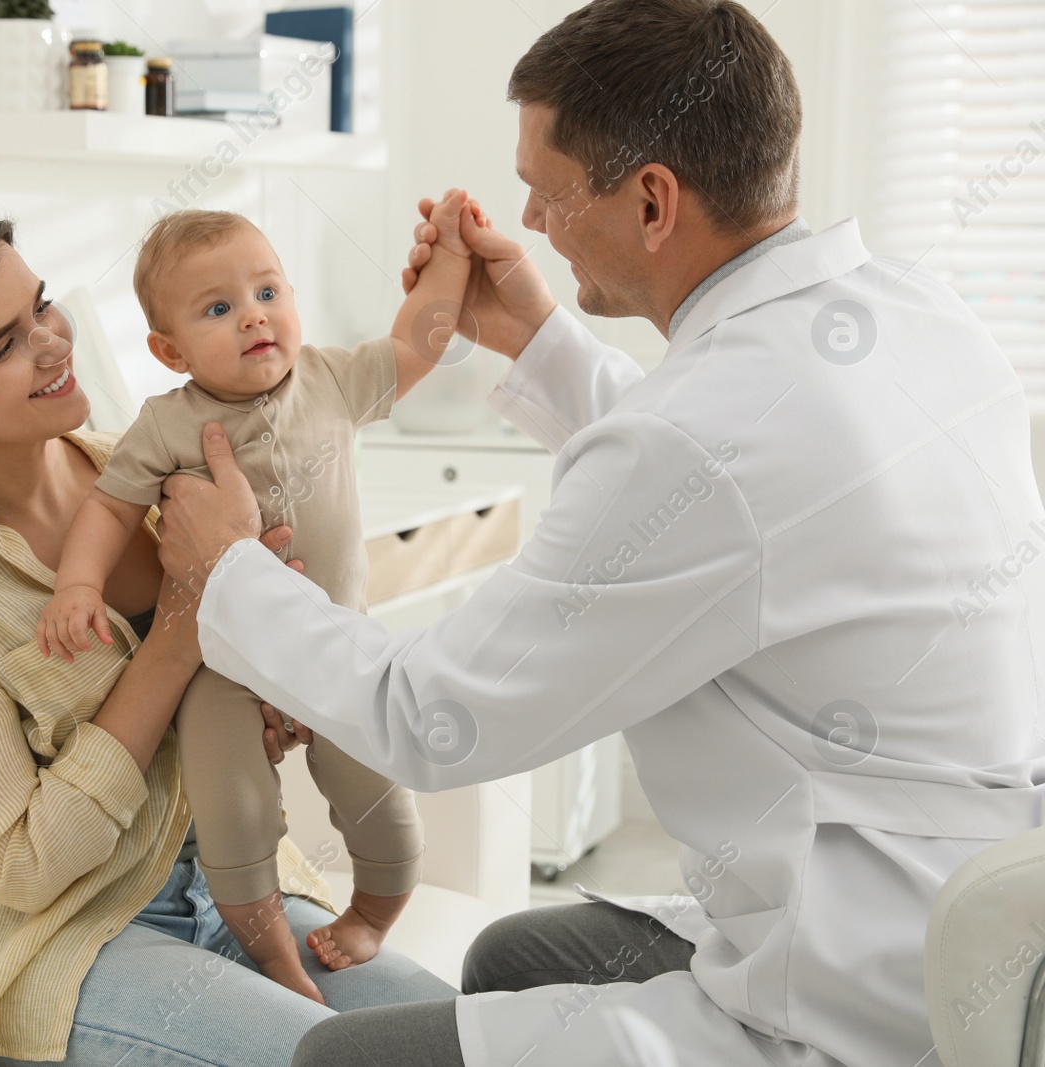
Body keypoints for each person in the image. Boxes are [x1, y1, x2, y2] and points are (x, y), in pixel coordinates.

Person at [152, 1, 1045, 1064]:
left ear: (652, 201)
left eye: (545, 185)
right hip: (964, 894)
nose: (527, 218)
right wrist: (536, 336)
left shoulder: (700, 438)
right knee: (514, 956)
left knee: (333, 1060)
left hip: (862, 992)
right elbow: (737, 491)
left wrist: (228, 573)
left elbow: (427, 717)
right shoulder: (907, 309)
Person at [0, 202, 458, 1067]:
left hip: (239, 886)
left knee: (461, 1036)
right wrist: (184, 626)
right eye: (2, 345)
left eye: (40, 304)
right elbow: (23, 866)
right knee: (337, 1061)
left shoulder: (157, 463)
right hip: (73, 936)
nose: (50, 342)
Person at [36, 196, 475, 1000]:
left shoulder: (332, 379)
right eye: (219, 307)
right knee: (233, 813)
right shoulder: (168, 424)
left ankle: (374, 911)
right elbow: (109, 506)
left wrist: (451, 253)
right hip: (223, 666)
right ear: (168, 349)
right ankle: (272, 949)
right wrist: (78, 583)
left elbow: (421, 340)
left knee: (380, 795)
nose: (252, 318)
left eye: (268, 292)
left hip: (337, 647)